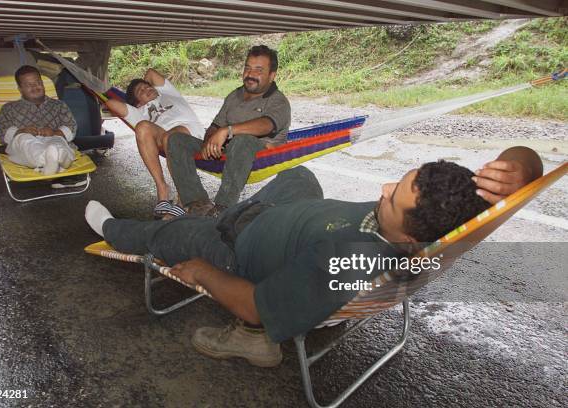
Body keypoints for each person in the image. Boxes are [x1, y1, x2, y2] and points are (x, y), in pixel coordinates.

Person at [85, 146, 542, 367]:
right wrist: (521, 170)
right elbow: (525, 161)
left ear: (410, 230)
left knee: (175, 232)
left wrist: (204, 270)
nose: (383, 188)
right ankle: (232, 212)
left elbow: (256, 303)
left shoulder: (351, 261)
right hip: (287, 220)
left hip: (235, 251)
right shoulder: (445, 223)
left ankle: (112, 229)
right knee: (301, 174)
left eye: (394, 195)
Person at [166, 45, 291, 217]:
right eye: (248, 68)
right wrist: (208, 141)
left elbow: (267, 125)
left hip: (260, 155)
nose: (251, 74)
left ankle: (222, 208)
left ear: (272, 76)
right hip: (226, 152)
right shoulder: (234, 96)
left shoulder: (278, 101)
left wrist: (229, 131)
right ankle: (197, 203)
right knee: (176, 140)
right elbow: (215, 126)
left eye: (259, 70)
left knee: (242, 140)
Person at [105, 68, 205, 219]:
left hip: (193, 136)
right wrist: (136, 101)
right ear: (137, 103)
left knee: (172, 137)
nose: (147, 89)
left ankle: (183, 198)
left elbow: (151, 73)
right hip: (166, 139)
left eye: (148, 86)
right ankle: (162, 189)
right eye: (141, 91)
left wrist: (144, 86)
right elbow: (111, 103)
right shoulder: (139, 112)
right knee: (142, 127)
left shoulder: (169, 93)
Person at [0, 65, 77, 176]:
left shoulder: (59, 105)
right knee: (23, 139)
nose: (35, 87)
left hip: (52, 139)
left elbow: (71, 126)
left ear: (43, 84)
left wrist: (55, 132)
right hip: (25, 147)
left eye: (38, 83)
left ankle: (57, 157)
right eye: (29, 85)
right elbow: (0, 132)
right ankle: (53, 160)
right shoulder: (9, 108)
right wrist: (21, 131)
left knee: (57, 141)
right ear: (20, 89)